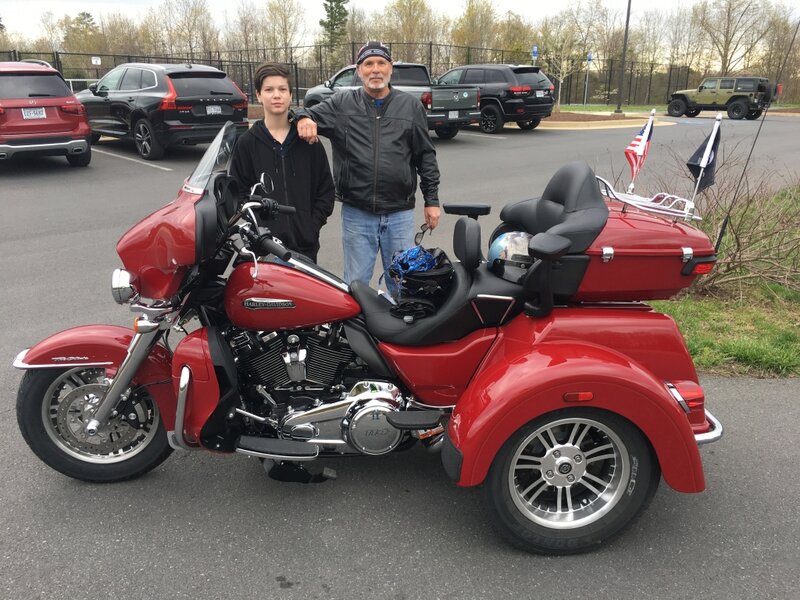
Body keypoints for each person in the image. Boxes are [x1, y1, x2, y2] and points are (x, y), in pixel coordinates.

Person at [295, 41, 441, 288]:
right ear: (359, 70)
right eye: (369, 64)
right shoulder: (341, 105)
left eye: (381, 63)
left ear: (390, 68)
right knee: (355, 285)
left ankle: (401, 326)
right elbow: (302, 111)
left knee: (403, 283)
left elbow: (425, 155)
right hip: (357, 214)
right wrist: (302, 118)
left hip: (400, 214)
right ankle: (356, 329)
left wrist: (432, 200)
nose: (375, 69)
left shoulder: (411, 106)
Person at [230, 62, 335, 263]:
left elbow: (326, 190)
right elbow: (239, 195)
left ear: (290, 95)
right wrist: (258, 228)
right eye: (269, 90)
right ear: (258, 95)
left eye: (282, 89)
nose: (276, 95)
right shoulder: (247, 143)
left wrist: (311, 227)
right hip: (265, 248)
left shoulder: (309, 141)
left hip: (305, 247)